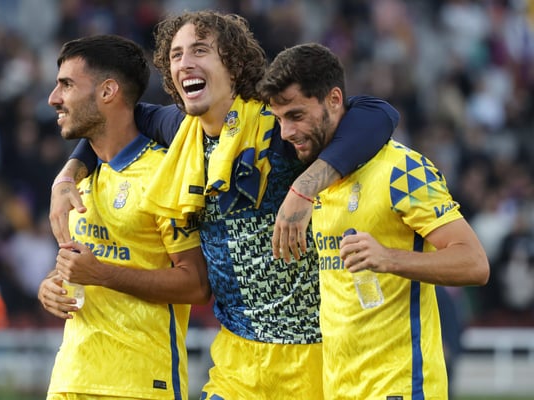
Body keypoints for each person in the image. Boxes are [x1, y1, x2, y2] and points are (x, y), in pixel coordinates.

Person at [43, 11, 399, 399]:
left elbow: (377, 113)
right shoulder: (181, 130)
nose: (185, 63)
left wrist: (304, 188)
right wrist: (68, 175)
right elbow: (115, 118)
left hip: (314, 354)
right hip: (237, 359)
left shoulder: (275, 124)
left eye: (200, 50)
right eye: (176, 55)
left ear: (232, 63)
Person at [258, 42, 490, 399]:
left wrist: (389, 258)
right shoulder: (316, 179)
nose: (286, 132)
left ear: (334, 100)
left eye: (296, 115)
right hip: (339, 389)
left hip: (401, 387)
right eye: (280, 120)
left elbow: (474, 263)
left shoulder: (401, 170)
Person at [40, 34, 210, 400]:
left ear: (108, 91)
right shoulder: (77, 179)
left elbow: (197, 284)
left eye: (67, 85)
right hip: (70, 380)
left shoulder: (164, 173)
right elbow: (91, 262)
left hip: (141, 384)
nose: (53, 98)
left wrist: (101, 273)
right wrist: (52, 285)